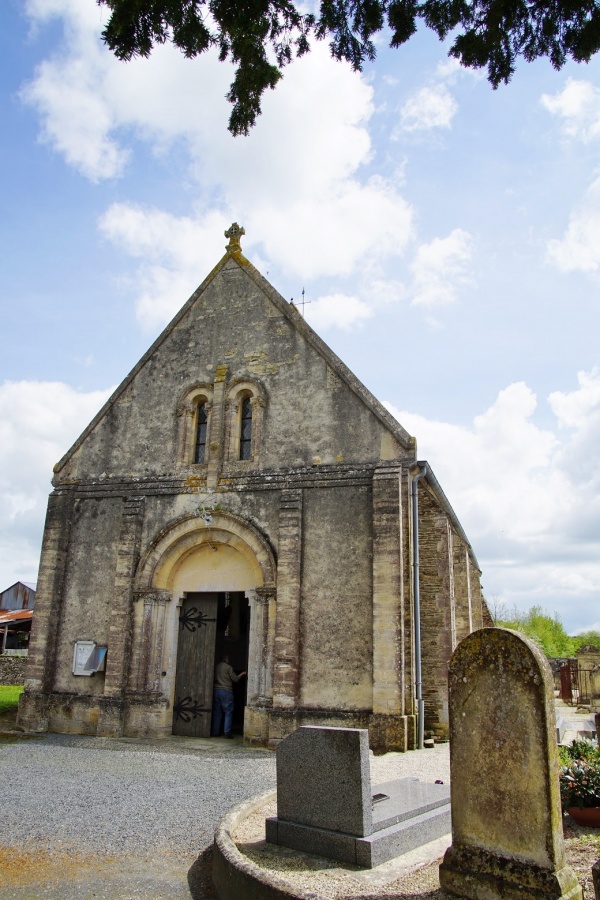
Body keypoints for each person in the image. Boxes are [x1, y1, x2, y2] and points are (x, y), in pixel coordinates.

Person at [211, 653, 247, 738]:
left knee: (217, 712)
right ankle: (226, 732)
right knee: (228, 712)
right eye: (228, 658)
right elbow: (235, 679)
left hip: (216, 691)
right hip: (226, 691)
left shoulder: (216, 667)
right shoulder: (228, 667)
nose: (229, 660)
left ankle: (215, 732)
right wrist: (242, 674)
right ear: (225, 659)